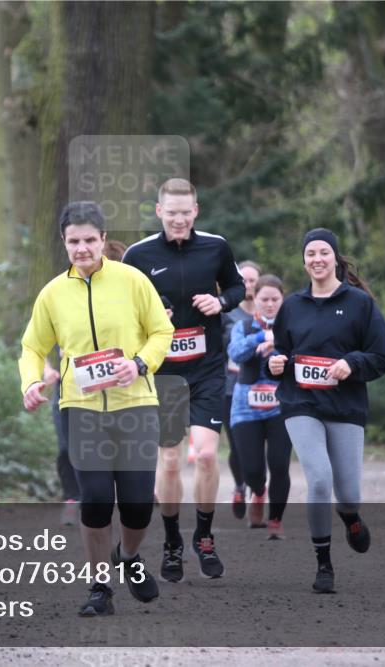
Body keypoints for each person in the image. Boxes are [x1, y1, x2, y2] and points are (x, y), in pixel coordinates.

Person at [20, 203, 173, 616]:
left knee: (138, 503)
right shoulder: (53, 293)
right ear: (64, 242)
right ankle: (99, 586)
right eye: (74, 241)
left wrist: (138, 364)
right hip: (82, 407)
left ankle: (129, 556)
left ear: (104, 240)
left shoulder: (132, 281)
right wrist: (31, 382)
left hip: (135, 404)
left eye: (90, 239)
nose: (82, 248)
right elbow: (32, 347)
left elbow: (162, 332)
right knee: (96, 498)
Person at [122, 178, 245, 581]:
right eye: (171, 213)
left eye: (185, 212)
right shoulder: (138, 255)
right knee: (171, 462)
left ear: (196, 211)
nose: (178, 220)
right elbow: (122, 306)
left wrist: (220, 301)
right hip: (164, 372)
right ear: (159, 211)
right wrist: (151, 314)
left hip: (207, 366)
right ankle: (173, 541)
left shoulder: (215, 246)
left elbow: (237, 286)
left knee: (206, 455)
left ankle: (204, 536)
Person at [266, 228, 385, 593]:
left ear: (335, 258)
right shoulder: (292, 305)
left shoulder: (360, 303)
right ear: (303, 261)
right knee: (319, 479)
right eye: (310, 254)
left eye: (323, 252)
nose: (317, 259)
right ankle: (324, 563)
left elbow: (380, 357)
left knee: (348, 494)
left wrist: (351, 363)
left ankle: (350, 516)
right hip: (300, 403)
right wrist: (274, 363)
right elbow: (280, 353)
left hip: (345, 405)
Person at [48, 239, 130, 526]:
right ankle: (74, 498)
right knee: (67, 447)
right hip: (73, 387)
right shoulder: (64, 295)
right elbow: (41, 338)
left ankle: (130, 493)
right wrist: (46, 369)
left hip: (119, 390)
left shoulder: (131, 299)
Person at [227, 274, 292, 538]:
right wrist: (260, 339)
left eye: (275, 299)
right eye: (264, 299)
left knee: (279, 465)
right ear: (255, 299)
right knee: (252, 470)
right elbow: (235, 353)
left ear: (283, 299)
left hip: (281, 406)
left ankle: (275, 520)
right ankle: (258, 491)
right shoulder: (243, 326)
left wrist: (277, 344)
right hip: (246, 407)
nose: (270, 304)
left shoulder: (291, 326)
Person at [222, 260, 261, 519]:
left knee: (258, 447)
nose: (247, 285)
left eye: (252, 281)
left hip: (262, 388)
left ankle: (258, 491)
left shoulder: (269, 311)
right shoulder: (226, 313)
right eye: (243, 280)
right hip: (230, 388)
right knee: (237, 446)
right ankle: (239, 486)